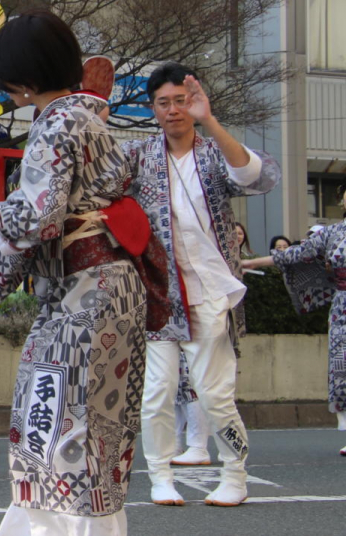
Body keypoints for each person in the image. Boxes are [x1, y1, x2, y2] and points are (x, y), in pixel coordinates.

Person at [0, 10, 153, 536]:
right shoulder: (91, 118)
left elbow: (38, 215)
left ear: (19, 79)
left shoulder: (54, 124)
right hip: (115, 289)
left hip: (83, 296)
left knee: (56, 422)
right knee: (97, 425)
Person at [121, 63, 280, 507]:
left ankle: (234, 474)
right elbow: (99, 185)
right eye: (163, 103)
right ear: (152, 108)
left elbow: (259, 177)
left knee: (214, 395)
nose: (173, 111)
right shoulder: (138, 156)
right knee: (155, 393)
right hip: (158, 293)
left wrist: (209, 118)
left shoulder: (212, 151)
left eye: (180, 101)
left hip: (211, 291)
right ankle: (160, 476)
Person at [243, 188, 346, 457]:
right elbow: (293, 254)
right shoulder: (331, 233)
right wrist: (248, 262)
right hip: (342, 306)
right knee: (342, 365)